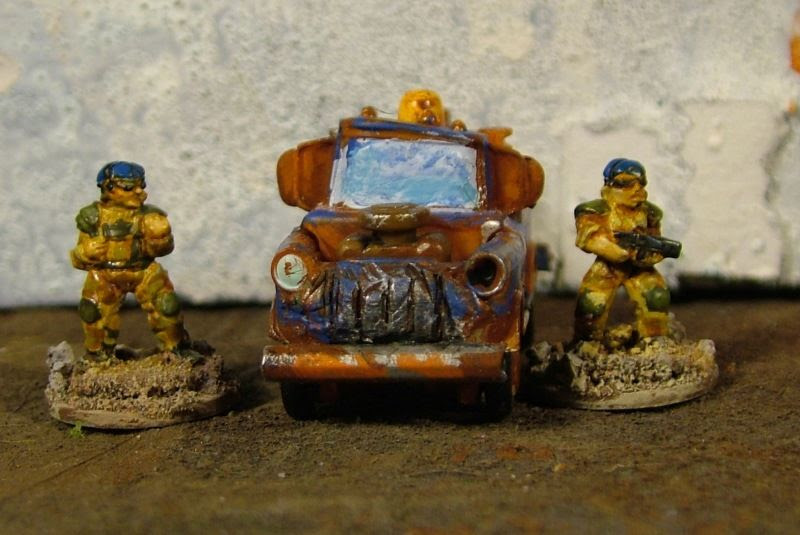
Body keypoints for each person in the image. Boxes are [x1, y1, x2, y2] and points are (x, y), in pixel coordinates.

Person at [70, 161, 190, 361]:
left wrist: (160, 238)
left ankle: (177, 349)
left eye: (141, 186)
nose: (139, 191)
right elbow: (78, 259)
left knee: (167, 306)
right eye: (128, 188)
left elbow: (163, 250)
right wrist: (85, 252)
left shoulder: (149, 215)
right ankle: (98, 356)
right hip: (105, 275)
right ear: (109, 188)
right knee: (93, 312)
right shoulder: (93, 217)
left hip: (144, 271)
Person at [573, 158, 675, 343]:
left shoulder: (650, 213)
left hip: (638, 268)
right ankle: (587, 344)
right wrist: (611, 250)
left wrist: (646, 256)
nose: (636, 189)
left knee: (656, 296)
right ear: (610, 187)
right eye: (626, 184)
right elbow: (587, 239)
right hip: (607, 268)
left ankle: (654, 341)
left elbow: (655, 241)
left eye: (640, 183)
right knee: (591, 304)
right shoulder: (595, 211)